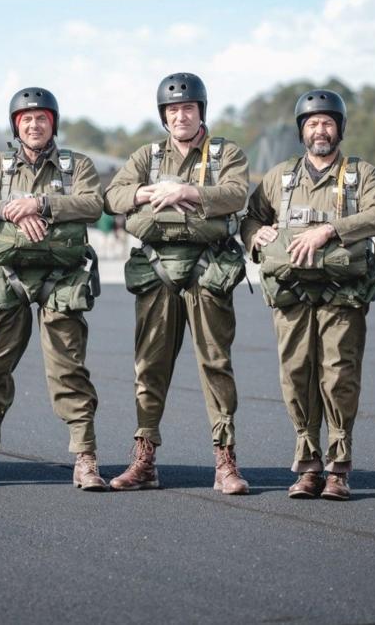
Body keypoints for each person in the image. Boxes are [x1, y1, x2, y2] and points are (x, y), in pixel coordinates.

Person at [103, 72, 252, 495]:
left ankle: (225, 460)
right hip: (156, 271)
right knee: (149, 365)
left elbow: (237, 194)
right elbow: (113, 196)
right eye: (172, 110)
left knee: (216, 365)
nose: (180, 116)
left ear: (200, 111)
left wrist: (185, 190)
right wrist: (150, 193)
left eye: (187, 108)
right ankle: (144, 456)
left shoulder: (226, 154)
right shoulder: (147, 157)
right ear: (163, 116)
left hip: (208, 272)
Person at [0, 87, 106, 490]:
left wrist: (42, 205)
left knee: (68, 369)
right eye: (26, 119)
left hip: (62, 278)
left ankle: (85, 459)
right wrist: (8, 211)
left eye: (42, 118)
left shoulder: (77, 166)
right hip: (7, 276)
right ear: (16, 125)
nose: (34, 125)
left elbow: (94, 204)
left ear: (53, 123)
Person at [242, 89, 375, 499]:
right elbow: (250, 220)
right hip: (291, 294)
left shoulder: (362, 175)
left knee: (339, 375)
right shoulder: (279, 177)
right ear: (301, 131)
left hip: (343, 294)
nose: (320, 130)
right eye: (312, 124)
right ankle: (308, 465)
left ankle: (338, 467)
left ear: (339, 128)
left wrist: (330, 230)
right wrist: (259, 235)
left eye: (327, 122)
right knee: (295, 375)